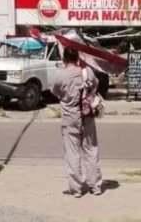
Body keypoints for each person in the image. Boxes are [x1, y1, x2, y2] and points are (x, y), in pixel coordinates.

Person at [51, 47, 102, 198]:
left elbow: (54, 91)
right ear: (78, 58)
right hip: (87, 116)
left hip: (70, 117)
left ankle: (76, 189)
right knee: (91, 151)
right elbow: (95, 85)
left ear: (64, 59)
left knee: (72, 154)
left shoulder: (60, 75)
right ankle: (95, 186)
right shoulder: (87, 72)